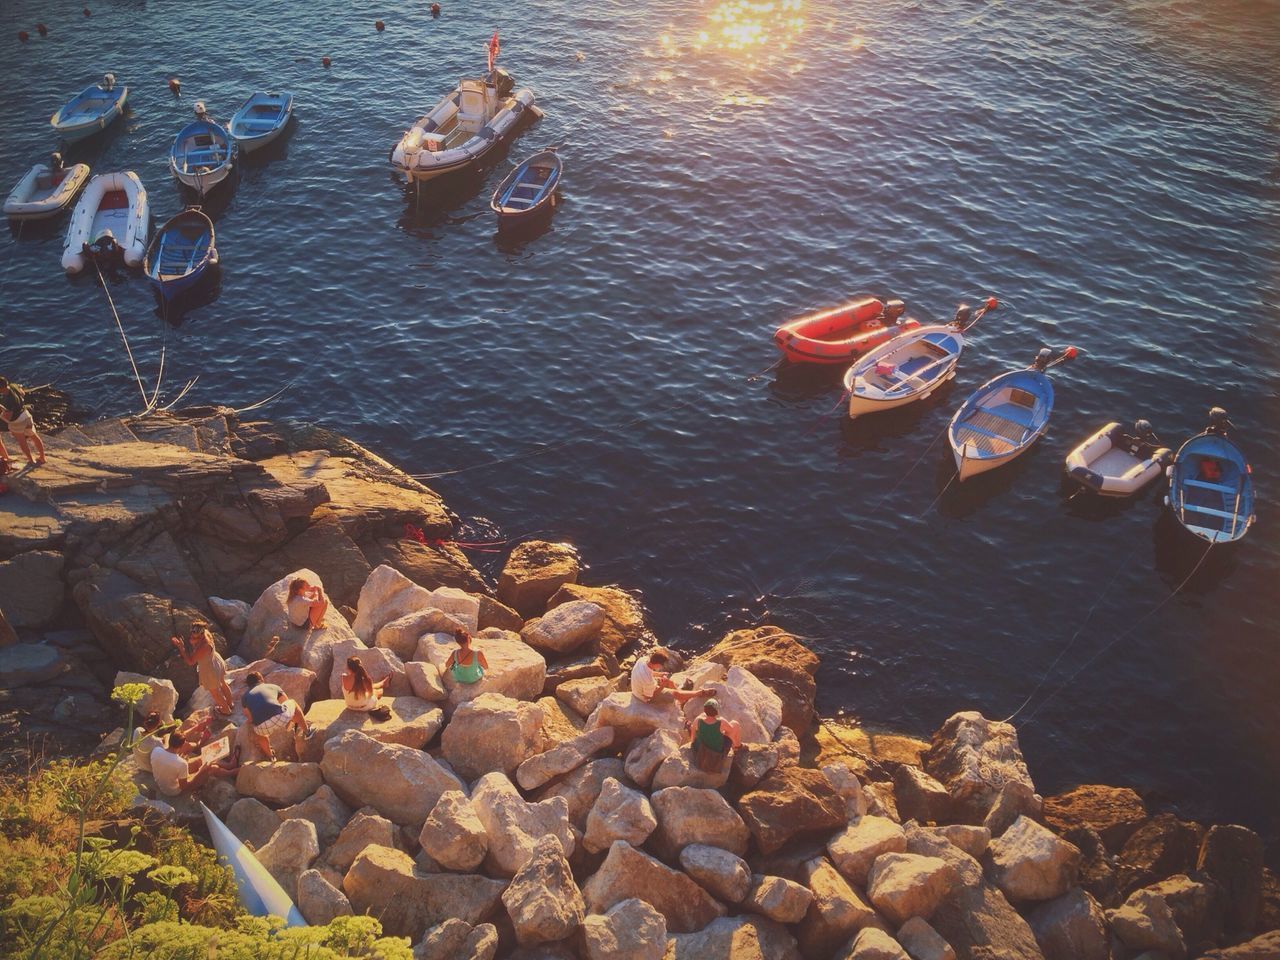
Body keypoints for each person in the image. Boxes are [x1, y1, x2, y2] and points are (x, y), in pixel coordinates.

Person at [243, 671, 312, 760]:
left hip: (262, 727)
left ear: (248, 685)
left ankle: (271, 756)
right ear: (261, 679)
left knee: (259, 735)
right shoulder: (273, 686)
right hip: (281, 718)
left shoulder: (244, 697)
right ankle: (307, 732)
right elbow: (285, 701)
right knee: (293, 703)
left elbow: (250, 718)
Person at [149, 731, 239, 798]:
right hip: (173, 790)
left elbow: (168, 761)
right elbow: (184, 786)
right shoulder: (181, 763)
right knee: (211, 768)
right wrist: (201, 771)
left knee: (201, 759)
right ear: (182, 745)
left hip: (167, 780)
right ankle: (231, 772)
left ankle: (229, 765)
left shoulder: (156, 750)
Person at [172, 623, 233, 716]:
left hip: (209, 669)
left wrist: (181, 648)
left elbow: (190, 661)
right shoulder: (206, 632)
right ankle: (230, 704)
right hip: (216, 661)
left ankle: (226, 710)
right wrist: (195, 641)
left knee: (215, 692)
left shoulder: (205, 646)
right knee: (222, 683)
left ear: (201, 634)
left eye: (195, 634)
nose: (192, 635)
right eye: (192, 633)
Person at [132, 710, 214, 772]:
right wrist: (167, 737)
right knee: (184, 745)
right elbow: (172, 744)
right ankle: (198, 743)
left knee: (170, 737)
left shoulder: (138, 730)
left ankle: (197, 730)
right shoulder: (156, 744)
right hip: (152, 768)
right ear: (158, 724)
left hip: (142, 765)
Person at [630, 650, 712, 705]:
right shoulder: (647, 679)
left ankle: (682, 699)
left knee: (670, 683)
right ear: (657, 664)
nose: (661, 666)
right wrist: (662, 686)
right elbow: (649, 697)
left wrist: (660, 674)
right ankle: (699, 693)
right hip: (642, 698)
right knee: (675, 693)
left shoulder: (643, 660)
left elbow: (648, 672)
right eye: (661, 665)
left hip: (640, 687)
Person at [0, 376, 45, 467]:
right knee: (34, 436)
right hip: (26, 415)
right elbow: (22, 393)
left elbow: (8, 418)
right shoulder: (13, 385)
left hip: (17, 421)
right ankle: (42, 457)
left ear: (1, 388)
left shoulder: (7, 400)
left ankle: (31, 461)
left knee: (22, 442)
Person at [686, 699, 741, 773]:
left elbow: (692, 740)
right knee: (735, 724)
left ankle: (737, 746)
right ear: (717, 711)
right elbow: (731, 731)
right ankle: (737, 746)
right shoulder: (721, 721)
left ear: (705, 710)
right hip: (716, 755)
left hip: (702, 754)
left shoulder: (698, 721)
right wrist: (721, 732)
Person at [341, 656, 391, 720]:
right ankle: (383, 684)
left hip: (350, 706)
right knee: (378, 691)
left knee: (365, 688)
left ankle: (382, 683)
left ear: (348, 667)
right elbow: (371, 694)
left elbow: (354, 685)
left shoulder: (343, 677)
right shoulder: (364, 679)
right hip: (364, 707)